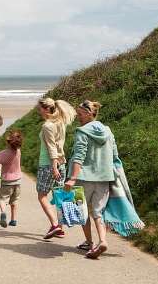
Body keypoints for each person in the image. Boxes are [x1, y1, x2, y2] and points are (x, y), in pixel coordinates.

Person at [64, 100, 119, 259]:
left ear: (89, 114)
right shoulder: (108, 131)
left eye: (80, 114)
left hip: (84, 177)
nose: (78, 117)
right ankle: (102, 241)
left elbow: (79, 156)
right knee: (97, 211)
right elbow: (115, 156)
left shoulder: (82, 131)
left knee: (81, 211)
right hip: (104, 177)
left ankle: (89, 242)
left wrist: (72, 178)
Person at [36, 97, 76, 239]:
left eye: (40, 108)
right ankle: (60, 227)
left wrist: (54, 166)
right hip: (62, 163)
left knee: (42, 195)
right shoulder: (60, 123)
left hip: (48, 164)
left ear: (47, 109)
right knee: (58, 195)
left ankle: (55, 225)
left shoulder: (47, 125)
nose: (38, 110)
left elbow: (51, 147)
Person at [0, 130, 23, 227]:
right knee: (15, 200)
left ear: (8, 142)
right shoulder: (18, 152)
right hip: (18, 180)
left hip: (7, 181)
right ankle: (13, 220)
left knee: (2, 199)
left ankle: (3, 213)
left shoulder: (4, 153)